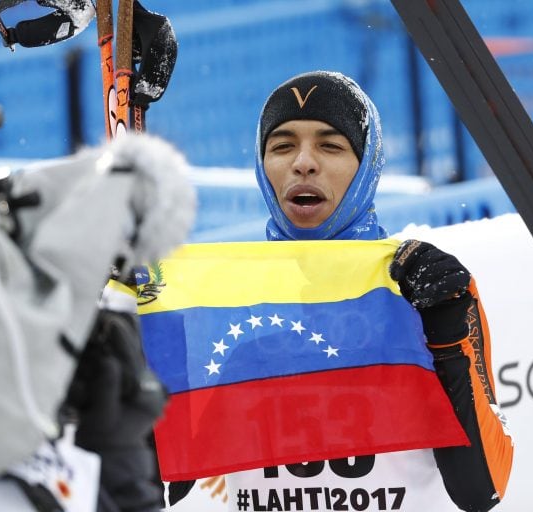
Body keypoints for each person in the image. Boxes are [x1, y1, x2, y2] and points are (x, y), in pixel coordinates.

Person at [170, 71, 513, 511]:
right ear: (261, 165)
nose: (304, 163)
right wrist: (128, 320)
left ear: (368, 163)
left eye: (331, 146)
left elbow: (480, 490)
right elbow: (162, 482)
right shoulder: (220, 301)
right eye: (282, 146)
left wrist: (448, 339)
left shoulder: (419, 282)